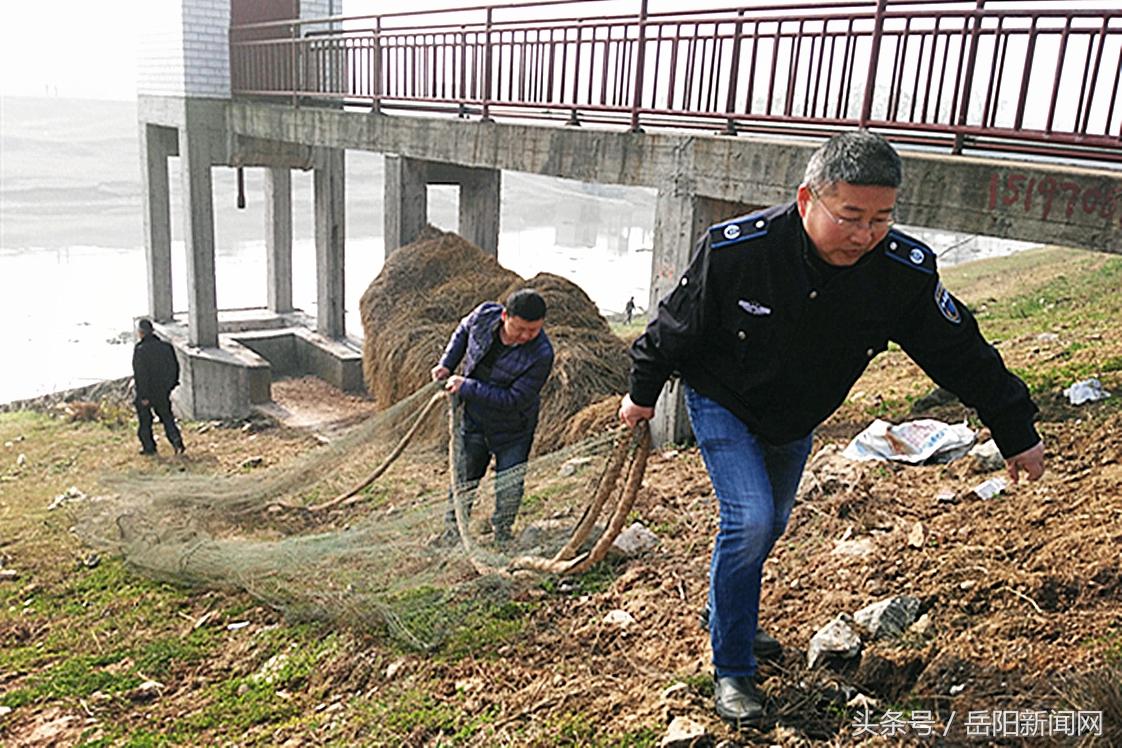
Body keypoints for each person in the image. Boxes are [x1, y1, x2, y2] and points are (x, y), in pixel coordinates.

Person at [618, 130, 1045, 727]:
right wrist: (642, 395)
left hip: (796, 414)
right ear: (806, 200)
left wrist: (1015, 429)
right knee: (751, 519)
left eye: (881, 219)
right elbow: (676, 326)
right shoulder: (740, 251)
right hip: (724, 398)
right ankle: (733, 668)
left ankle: (725, 613)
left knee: (773, 523)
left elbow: (961, 353)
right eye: (849, 216)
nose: (865, 235)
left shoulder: (900, 272)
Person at [432, 289, 555, 545]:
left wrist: (466, 387)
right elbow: (463, 331)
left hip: (514, 429)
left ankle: (502, 534)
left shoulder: (541, 354)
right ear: (504, 316)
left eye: (533, 331)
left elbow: (513, 400)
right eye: (520, 329)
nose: (526, 337)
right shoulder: (483, 315)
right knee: (464, 478)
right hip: (474, 420)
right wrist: (447, 363)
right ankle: (452, 533)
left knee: (509, 485)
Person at [132, 318, 185, 456]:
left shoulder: (140, 350)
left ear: (141, 333)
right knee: (167, 417)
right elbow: (175, 367)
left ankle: (149, 447)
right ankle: (177, 441)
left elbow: (140, 375)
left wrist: (143, 396)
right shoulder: (166, 347)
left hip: (148, 392)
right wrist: (171, 384)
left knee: (145, 421)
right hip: (163, 390)